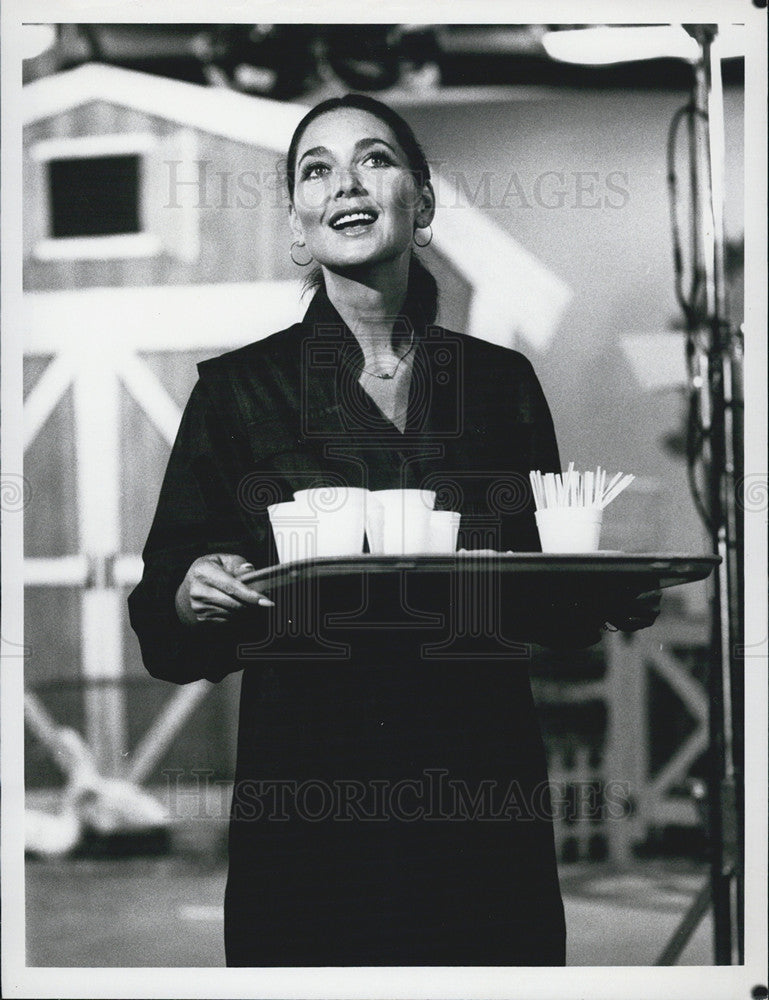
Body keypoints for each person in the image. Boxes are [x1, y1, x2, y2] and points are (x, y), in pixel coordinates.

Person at [129, 93, 659, 967]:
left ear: (422, 204)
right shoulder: (238, 394)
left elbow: (540, 600)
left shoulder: (498, 386)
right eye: (315, 168)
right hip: (310, 794)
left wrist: (603, 595)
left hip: (480, 786)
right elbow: (160, 617)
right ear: (298, 228)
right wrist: (192, 592)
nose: (345, 181)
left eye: (373, 159)